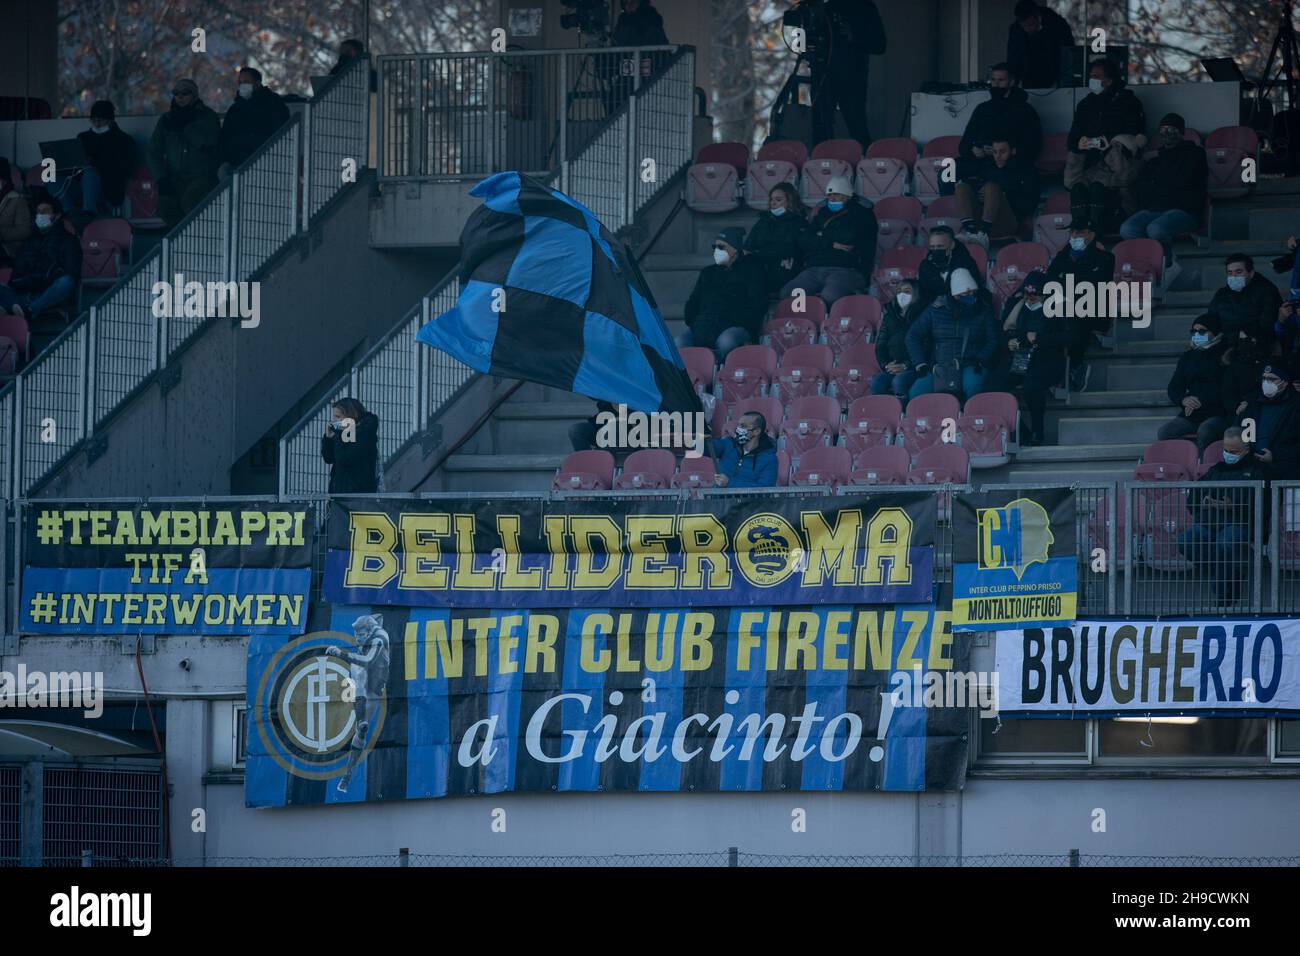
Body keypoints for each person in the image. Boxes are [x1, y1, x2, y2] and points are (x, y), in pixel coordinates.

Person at [1179, 426, 1268, 607]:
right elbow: (1192, 499)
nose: (1229, 454)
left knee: (1225, 541)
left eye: (1234, 451)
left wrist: (1233, 505)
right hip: (1209, 523)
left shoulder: (1258, 471)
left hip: (1241, 524)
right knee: (1186, 540)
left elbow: (1264, 506)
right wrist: (1202, 506)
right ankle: (1226, 575)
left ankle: (1224, 597)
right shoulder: (1216, 470)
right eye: (1226, 450)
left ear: (1246, 449)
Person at [1064, 58, 1147, 228]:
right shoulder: (1085, 104)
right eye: (1091, 76)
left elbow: (1135, 133)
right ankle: (1083, 231)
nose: (1092, 80)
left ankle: (1103, 227)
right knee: (1079, 189)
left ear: (1109, 81)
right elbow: (1073, 138)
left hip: (1119, 165)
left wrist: (1106, 142)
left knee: (1107, 191)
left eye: (1096, 76)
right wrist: (1081, 143)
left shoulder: (1128, 102)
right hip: (1090, 164)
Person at [1120, 113, 1207, 268]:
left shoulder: (1196, 153)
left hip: (1185, 211)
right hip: (1154, 209)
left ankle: (1165, 263)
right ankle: (1144, 262)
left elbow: (1184, 180)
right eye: (1164, 129)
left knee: (1156, 229)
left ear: (1181, 132)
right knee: (1127, 229)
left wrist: (1159, 184)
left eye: (1172, 129)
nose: (1167, 133)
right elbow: (1144, 186)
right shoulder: (1155, 160)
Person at [781, 176, 878, 307]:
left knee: (831, 295)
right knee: (790, 293)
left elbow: (848, 237)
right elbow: (804, 239)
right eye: (829, 195)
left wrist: (821, 235)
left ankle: (830, 324)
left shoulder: (863, 214)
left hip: (846, 268)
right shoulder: (823, 213)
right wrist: (831, 243)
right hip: (814, 268)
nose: (831, 198)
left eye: (836, 195)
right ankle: (805, 323)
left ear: (847, 195)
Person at [905, 267, 997, 401]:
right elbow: (912, 336)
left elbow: (993, 340)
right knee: (916, 394)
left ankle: (967, 420)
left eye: (973, 292)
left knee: (973, 387)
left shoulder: (982, 310)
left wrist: (981, 359)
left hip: (971, 364)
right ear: (955, 295)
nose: (971, 296)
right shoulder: (935, 310)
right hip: (940, 367)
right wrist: (920, 363)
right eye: (966, 293)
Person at [995, 270, 1065, 446]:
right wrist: (1008, 342)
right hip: (1019, 358)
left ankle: (1037, 432)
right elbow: (1002, 332)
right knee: (994, 388)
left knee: (1031, 387)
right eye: (1027, 293)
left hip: (1046, 359)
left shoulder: (1059, 307)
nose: (1030, 297)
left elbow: (1070, 338)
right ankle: (1021, 432)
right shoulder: (1016, 304)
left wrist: (1040, 339)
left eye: (1035, 293)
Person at [808, 0, 888, 150]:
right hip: (823, 76)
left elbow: (880, 44)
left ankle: (865, 164)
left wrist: (854, 36)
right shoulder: (827, 8)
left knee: (857, 127)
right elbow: (810, 40)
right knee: (820, 128)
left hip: (852, 78)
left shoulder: (865, 7)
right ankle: (820, 166)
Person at [680, 226, 768, 361]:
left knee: (726, 342)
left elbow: (757, 305)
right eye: (714, 247)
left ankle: (717, 373)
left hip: (735, 326)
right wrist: (696, 322)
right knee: (679, 343)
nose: (716, 251)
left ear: (735, 249)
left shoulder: (752, 272)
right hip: (704, 324)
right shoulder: (707, 273)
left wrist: (734, 321)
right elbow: (693, 301)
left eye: (721, 247)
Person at [1046, 218, 1115, 391]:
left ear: (1091, 234)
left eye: (1080, 232)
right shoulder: (1063, 255)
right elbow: (1050, 280)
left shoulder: (1105, 257)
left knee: (1075, 317)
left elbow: (1096, 283)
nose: (1075, 236)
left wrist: (1066, 280)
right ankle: (1062, 369)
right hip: (1066, 307)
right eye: (1073, 232)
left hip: (1095, 309)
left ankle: (1075, 367)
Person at [326, 613, 390, 794]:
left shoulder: (379, 639)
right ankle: (347, 776)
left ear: (369, 632)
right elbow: (377, 615)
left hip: (377, 682)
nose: (358, 638)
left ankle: (361, 721)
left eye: (361, 635)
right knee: (361, 730)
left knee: (358, 666)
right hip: (364, 681)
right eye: (356, 635)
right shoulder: (369, 631)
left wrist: (341, 654)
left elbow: (369, 661)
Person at [148, 78, 221, 227]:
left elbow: (209, 144)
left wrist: (187, 127)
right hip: (175, 178)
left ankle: (194, 239)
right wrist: (161, 178)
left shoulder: (208, 117)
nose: (180, 97)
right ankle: (180, 240)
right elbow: (153, 151)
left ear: (194, 95)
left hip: (202, 177)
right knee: (164, 206)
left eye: (185, 93)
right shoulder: (167, 120)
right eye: (176, 93)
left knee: (191, 202)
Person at [1157, 314, 1231, 451]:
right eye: (1194, 331)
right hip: (1191, 415)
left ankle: (1203, 468)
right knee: (1165, 432)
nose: (1197, 334)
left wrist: (1199, 401)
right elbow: (1174, 387)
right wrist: (1184, 399)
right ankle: (1182, 466)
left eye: (1202, 331)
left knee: (1206, 431)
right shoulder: (1188, 357)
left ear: (1214, 332)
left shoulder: (1226, 356)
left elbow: (1227, 389)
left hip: (1218, 413)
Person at [0, 197, 80, 320]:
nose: (40, 215)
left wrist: (46, 277)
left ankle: (27, 310)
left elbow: (72, 272)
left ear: (57, 215)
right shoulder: (29, 240)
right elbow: (17, 269)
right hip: (23, 292)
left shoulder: (69, 241)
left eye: (45, 211)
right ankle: (22, 308)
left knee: (67, 282)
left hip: (48, 293)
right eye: (38, 211)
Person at [955, 136, 1040, 247]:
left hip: (1008, 221)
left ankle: (983, 234)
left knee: (991, 186)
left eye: (1002, 152)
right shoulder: (988, 167)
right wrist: (981, 195)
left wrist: (1002, 196)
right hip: (981, 217)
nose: (998, 156)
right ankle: (969, 230)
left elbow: (1029, 204)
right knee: (962, 187)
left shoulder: (1026, 170)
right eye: (995, 152)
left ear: (1013, 151)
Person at [958, 62, 1043, 170]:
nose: (996, 84)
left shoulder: (1026, 111)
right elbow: (964, 145)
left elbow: (1034, 146)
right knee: (946, 174)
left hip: (1013, 165)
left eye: (1001, 80)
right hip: (981, 163)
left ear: (1011, 82)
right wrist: (974, 150)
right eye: (993, 80)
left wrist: (1007, 151)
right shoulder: (982, 109)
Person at [1234, 361, 1300, 480]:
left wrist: (1275, 456)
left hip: (1285, 469)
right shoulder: (1252, 404)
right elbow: (1238, 434)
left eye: (1271, 379)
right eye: (1264, 378)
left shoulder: (1296, 406)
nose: (1266, 383)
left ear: (1284, 382)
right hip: (1251, 466)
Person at [218, 67, 290, 173]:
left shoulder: (273, 104)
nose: (242, 85)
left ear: (257, 83)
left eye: (246, 82)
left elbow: (281, 132)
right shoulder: (235, 109)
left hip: (266, 163)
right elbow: (226, 136)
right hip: (236, 162)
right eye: (240, 82)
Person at [744, 182, 809, 295]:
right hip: (761, 266)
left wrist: (760, 253)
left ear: (790, 201)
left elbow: (789, 249)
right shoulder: (764, 221)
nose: (773, 203)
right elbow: (749, 246)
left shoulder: (800, 223)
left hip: (786, 271)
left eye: (778, 200)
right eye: (771, 199)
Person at [75, 100, 136, 218]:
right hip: (81, 183)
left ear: (111, 121)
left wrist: (94, 164)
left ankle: (88, 216)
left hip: (109, 188)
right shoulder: (83, 138)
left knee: (89, 173)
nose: (97, 124)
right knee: (51, 178)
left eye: (101, 120)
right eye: (93, 120)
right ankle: (67, 212)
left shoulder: (124, 141)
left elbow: (124, 170)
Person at [1207, 254, 1282, 343]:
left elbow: (1267, 323)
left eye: (1239, 272)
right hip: (1226, 341)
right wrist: (1200, 329)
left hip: (1255, 343)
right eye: (1230, 273)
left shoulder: (1267, 291)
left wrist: (1242, 334)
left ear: (1251, 273)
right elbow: (1210, 318)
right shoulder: (1222, 293)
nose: (1233, 276)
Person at [870, 276, 923, 399]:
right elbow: (880, 346)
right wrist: (887, 365)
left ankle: (903, 412)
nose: (902, 295)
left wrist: (906, 365)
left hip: (914, 367)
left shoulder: (923, 317)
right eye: (899, 292)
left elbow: (926, 346)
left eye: (907, 292)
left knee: (899, 382)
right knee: (876, 383)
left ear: (916, 294)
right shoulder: (889, 317)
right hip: (892, 366)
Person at [1006, 0, 1075, 90]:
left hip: (1056, 78)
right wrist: (1013, 80)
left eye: (1030, 25)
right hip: (1028, 78)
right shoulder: (1015, 30)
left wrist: (1061, 80)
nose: (1027, 29)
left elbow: (1067, 55)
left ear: (1038, 16)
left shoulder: (1058, 25)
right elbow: (1013, 57)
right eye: (1024, 26)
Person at [321, 397, 380, 493]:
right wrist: (328, 439)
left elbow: (345, 459)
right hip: (339, 490)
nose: (334, 421)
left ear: (350, 416)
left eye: (338, 417)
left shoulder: (364, 433)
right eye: (334, 416)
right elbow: (329, 458)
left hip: (357, 492)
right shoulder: (344, 432)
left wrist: (340, 435)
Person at [917, 225, 981, 312]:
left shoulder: (966, 263)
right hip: (934, 313)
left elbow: (973, 299)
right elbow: (923, 295)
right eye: (932, 247)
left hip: (963, 313)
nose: (936, 250)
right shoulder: (925, 266)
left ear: (952, 245)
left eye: (940, 246)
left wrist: (949, 300)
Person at [712, 410, 777, 488]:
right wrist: (697, 414)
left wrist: (730, 483)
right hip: (719, 499)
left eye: (743, 426)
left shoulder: (769, 459)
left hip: (751, 500)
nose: (738, 429)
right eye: (738, 425)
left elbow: (765, 489)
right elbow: (700, 448)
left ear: (757, 431)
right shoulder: (728, 444)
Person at [1222, 327, 1268, 428]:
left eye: (1247, 339)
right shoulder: (1234, 366)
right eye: (1241, 340)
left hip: (1261, 411)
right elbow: (1227, 393)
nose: (1244, 343)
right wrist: (1237, 407)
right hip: (1237, 413)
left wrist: (1250, 403)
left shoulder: (1267, 364)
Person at [0, 158, 31, 265]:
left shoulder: (17, 199)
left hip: (7, 249)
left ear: (3, 181)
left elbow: (24, 230)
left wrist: (2, 233)